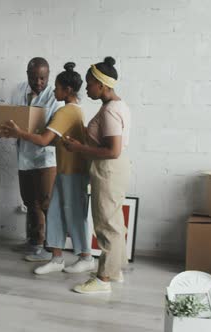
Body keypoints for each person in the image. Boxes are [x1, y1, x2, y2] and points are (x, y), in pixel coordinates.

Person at [2, 62, 94, 275]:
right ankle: (57, 257)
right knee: (54, 213)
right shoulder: (71, 110)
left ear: (67, 90)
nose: (53, 90)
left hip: (69, 171)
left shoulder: (65, 112)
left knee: (68, 214)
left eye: (57, 87)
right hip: (65, 169)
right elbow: (56, 141)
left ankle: (83, 256)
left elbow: (44, 140)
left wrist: (20, 133)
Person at [63, 57, 131, 294]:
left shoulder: (110, 111)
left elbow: (113, 150)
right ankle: (115, 270)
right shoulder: (116, 105)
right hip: (115, 168)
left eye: (90, 83)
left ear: (102, 86)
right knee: (115, 222)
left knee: (106, 225)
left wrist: (78, 148)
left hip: (108, 169)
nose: (87, 87)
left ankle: (103, 280)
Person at [9, 57, 60, 261]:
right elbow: (10, 115)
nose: (38, 82)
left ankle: (49, 247)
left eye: (43, 78)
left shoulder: (54, 97)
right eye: (34, 78)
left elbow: (52, 133)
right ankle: (34, 241)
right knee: (30, 201)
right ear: (27, 75)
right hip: (25, 155)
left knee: (45, 202)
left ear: (48, 76)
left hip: (46, 158)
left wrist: (20, 131)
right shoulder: (19, 90)